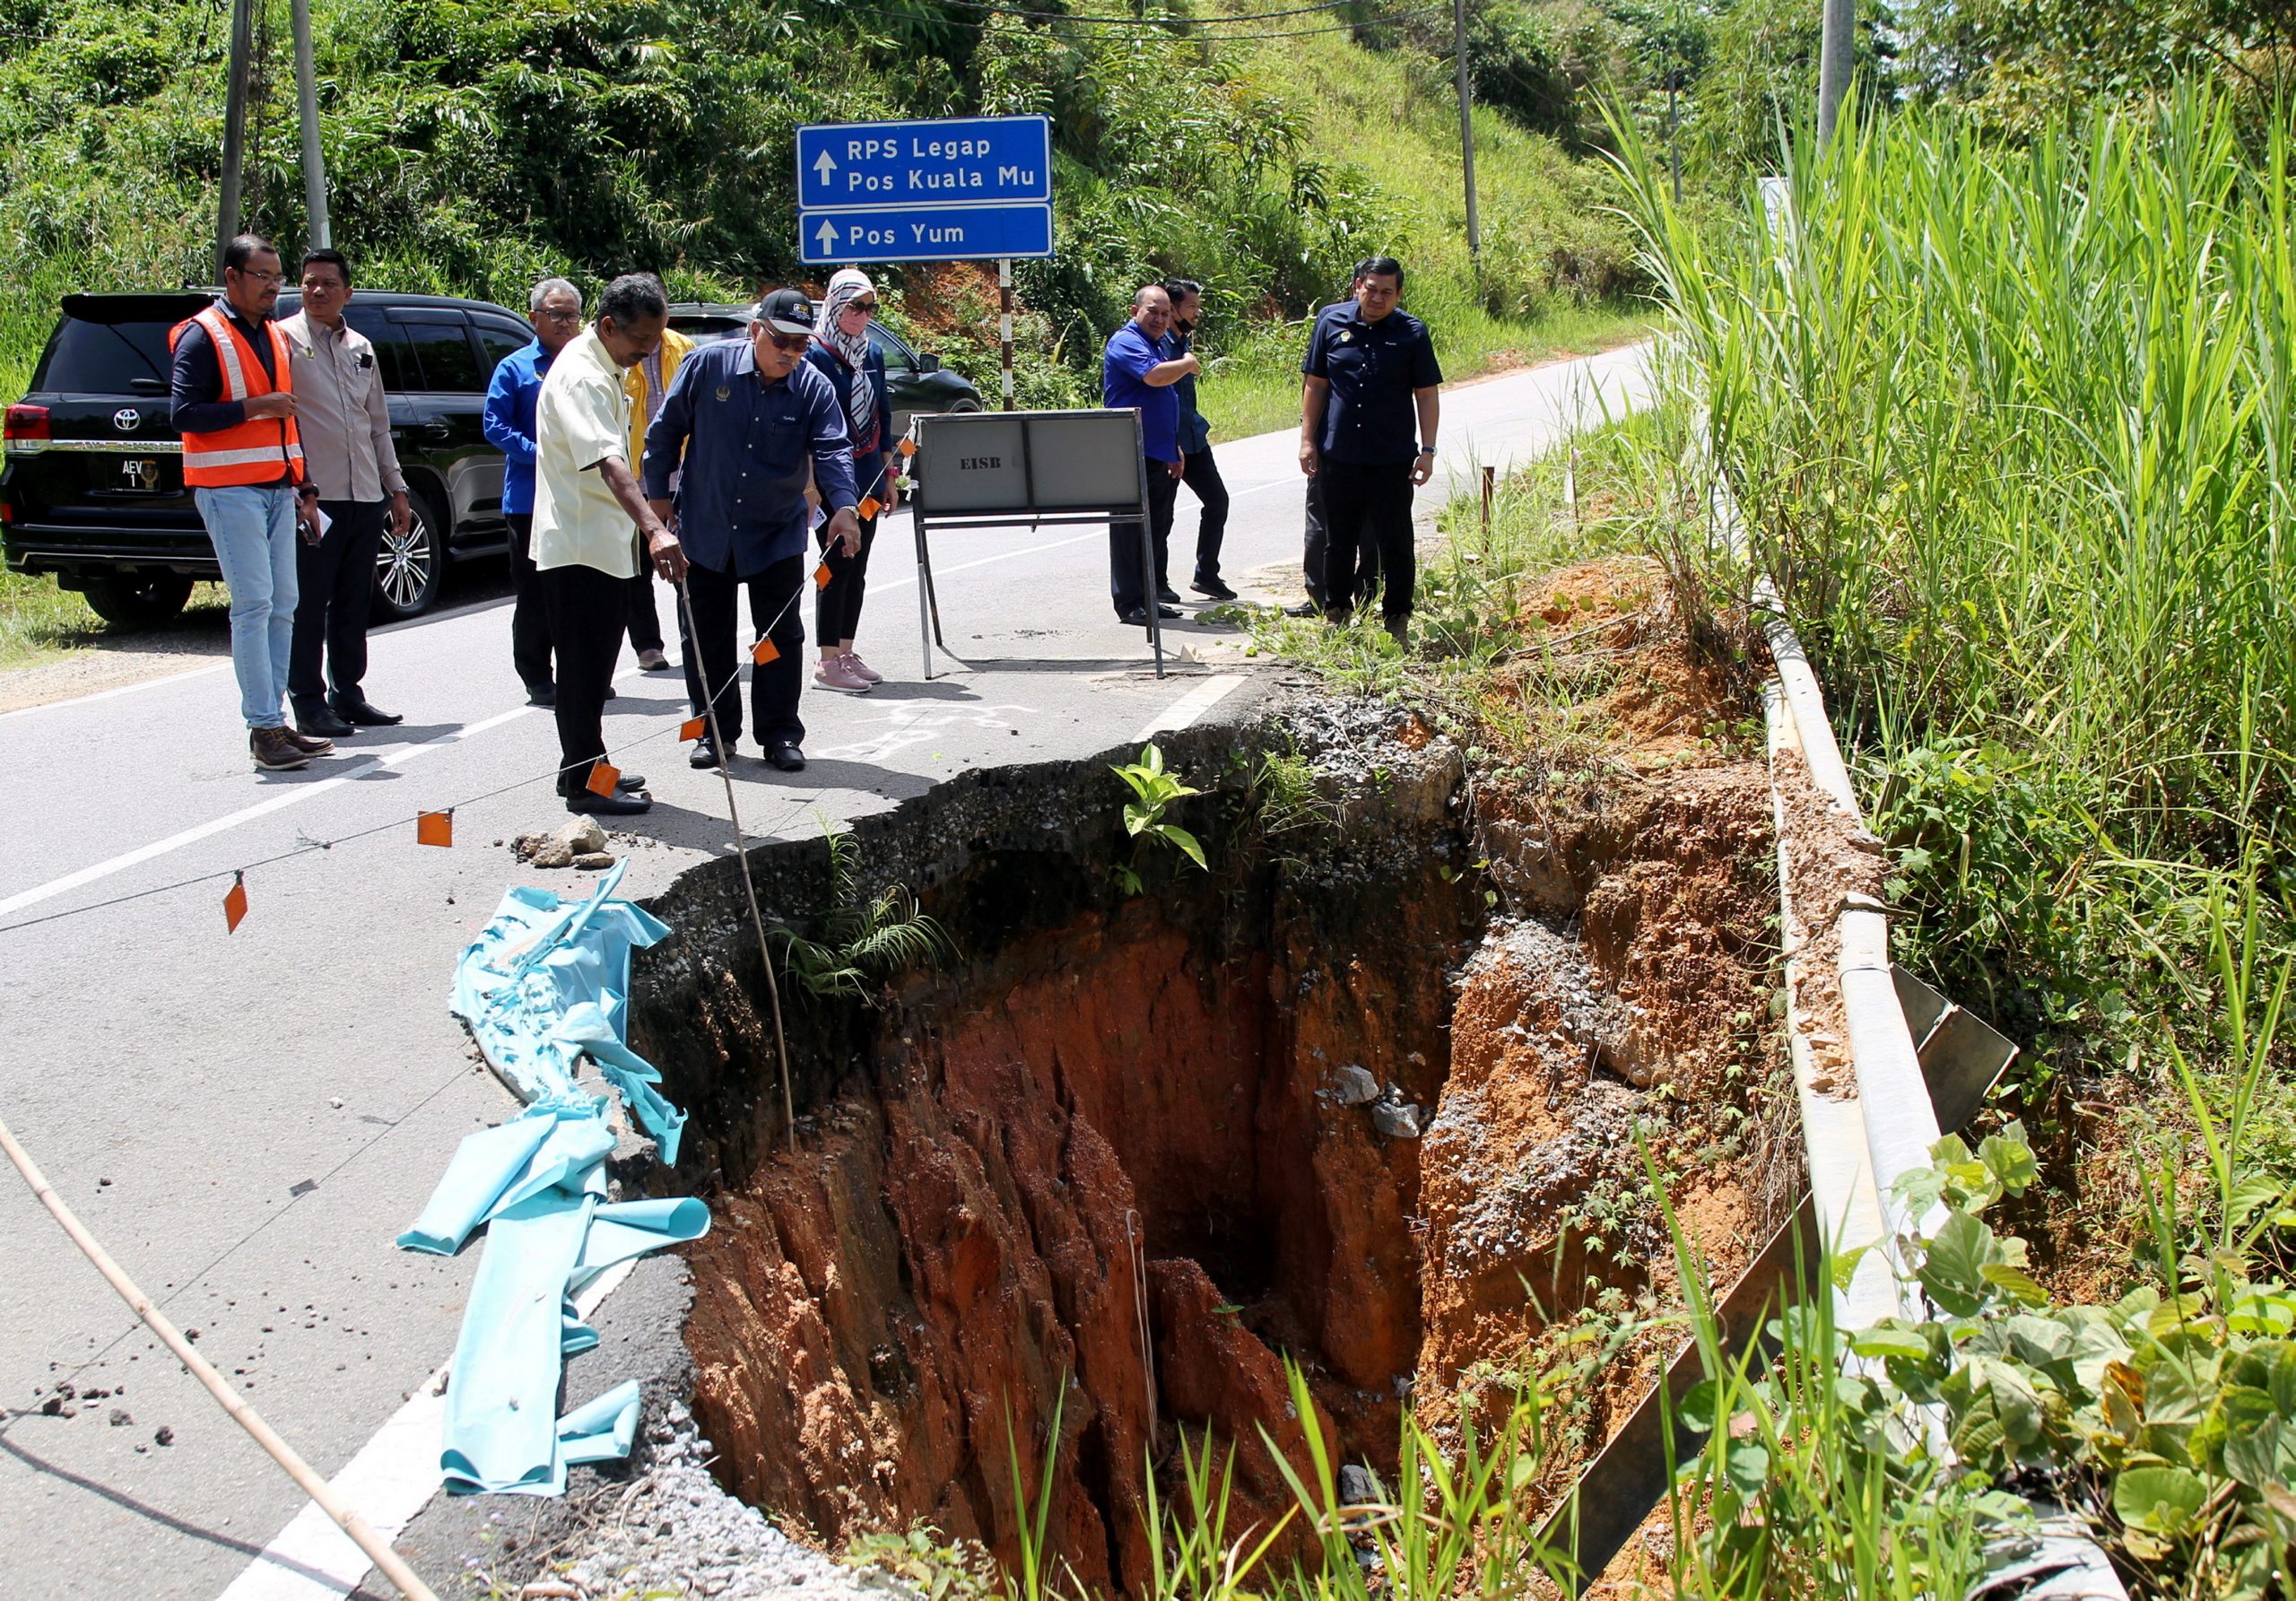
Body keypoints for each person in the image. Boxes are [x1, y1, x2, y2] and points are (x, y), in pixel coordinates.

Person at [643, 288, 860, 773]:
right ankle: (714, 733)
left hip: (775, 534)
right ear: (755, 330)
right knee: (705, 637)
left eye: (801, 345)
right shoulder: (707, 367)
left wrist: (844, 506)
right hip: (705, 528)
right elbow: (663, 433)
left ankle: (780, 733)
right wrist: (657, 503)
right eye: (782, 340)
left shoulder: (813, 386)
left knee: (779, 636)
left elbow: (832, 449)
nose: (791, 353)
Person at [170, 233, 331, 772]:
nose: (273, 287)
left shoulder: (274, 335)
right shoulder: (202, 335)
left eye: (277, 277)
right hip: (228, 491)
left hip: (278, 489)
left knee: (284, 605)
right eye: (263, 277)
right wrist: (252, 406)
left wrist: (304, 486)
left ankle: (277, 722)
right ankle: (263, 727)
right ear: (232, 276)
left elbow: (288, 422)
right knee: (254, 606)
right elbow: (184, 414)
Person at [531, 273, 684, 816]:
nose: (647, 354)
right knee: (582, 669)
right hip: (579, 546)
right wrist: (655, 528)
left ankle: (586, 766)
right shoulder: (583, 377)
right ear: (608, 327)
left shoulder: (602, 363)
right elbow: (610, 465)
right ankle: (583, 784)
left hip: (601, 542)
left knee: (595, 668)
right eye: (641, 342)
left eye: (654, 342)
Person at [276, 247, 412, 737]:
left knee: (354, 600)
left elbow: (378, 425)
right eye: (309, 282)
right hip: (315, 495)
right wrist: (298, 487)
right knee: (309, 601)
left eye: (328, 284)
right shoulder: (283, 340)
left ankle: (348, 693)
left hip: (364, 493)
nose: (316, 291)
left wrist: (395, 489)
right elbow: (284, 421)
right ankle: (307, 701)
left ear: (347, 292)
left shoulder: (361, 348)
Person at [1300, 256, 1442, 640]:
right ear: (1356, 286)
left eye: (1387, 292)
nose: (1378, 298)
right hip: (1338, 453)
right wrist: (1307, 439)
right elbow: (1316, 383)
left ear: (1399, 294)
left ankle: (1397, 618)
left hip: (1391, 458)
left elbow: (1426, 395)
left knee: (1395, 541)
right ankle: (1337, 611)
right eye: (1371, 289)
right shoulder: (1331, 322)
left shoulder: (1412, 333)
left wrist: (1427, 451)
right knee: (1338, 540)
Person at [483, 277, 584, 707]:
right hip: (530, 499)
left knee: (577, 587)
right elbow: (495, 425)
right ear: (534, 318)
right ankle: (537, 675)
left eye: (572, 315)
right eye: (555, 314)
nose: (564, 323)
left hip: (579, 497)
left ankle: (579, 672)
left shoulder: (587, 364)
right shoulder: (516, 367)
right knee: (535, 591)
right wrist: (539, 453)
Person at [804, 268, 895, 695]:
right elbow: (809, 425)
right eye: (855, 306)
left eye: (870, 307)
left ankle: (845, 650)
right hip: (830, 480)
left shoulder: (872, 354)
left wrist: (889, 476)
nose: (863, 315)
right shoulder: (815, 354)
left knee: (858, 567)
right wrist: (810, 484)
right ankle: (825, 662)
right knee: (834, 565)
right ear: (836, 305)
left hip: (867, 474)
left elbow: (883, 418)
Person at [1100, 284, 1193, 626]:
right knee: (1129, 529)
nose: (1159, 318)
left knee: (1156, 527)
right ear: (1134, 311)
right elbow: (1154, 378)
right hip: (1129, 450)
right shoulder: (1126, 341)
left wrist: (1173, 448)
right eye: (1152, 311)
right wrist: (1187, 363)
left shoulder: (1155, 344)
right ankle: (1129, 603)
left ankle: (1148, 597)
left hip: (1157, 452)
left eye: (1165, 313)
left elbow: (1160, 402)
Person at [621, 318, 693, 673]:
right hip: (634, 476)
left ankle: (696, 639)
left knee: (691, 565)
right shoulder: (621, 351)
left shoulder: (683, 347)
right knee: (638, 570)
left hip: (682, 476)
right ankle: (648, 646)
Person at [1159, 279, 1233, 601]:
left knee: (1217, 501)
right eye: (1192, 307)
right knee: (1163, 516)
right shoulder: (1159, 344)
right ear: (1172, 309)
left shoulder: (1182, 340)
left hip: (1194, 440)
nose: (1197, 312)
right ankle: (1156, 583)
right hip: (1168, 445)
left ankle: (1207, 574)